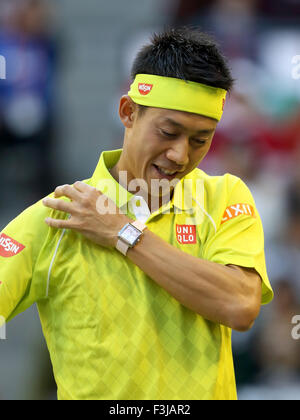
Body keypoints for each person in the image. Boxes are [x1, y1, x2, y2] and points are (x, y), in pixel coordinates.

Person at [0, 27, 273, 400]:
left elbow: (240, 305)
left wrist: (122, 233)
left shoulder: (224, 197)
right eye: (168, 132)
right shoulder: (56, 219)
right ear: (128, 112)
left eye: (200, 140)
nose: (180, 155)